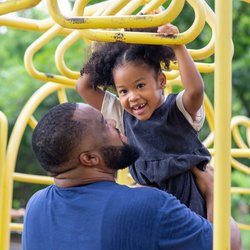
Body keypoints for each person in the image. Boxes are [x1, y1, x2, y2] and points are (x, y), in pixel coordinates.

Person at [22, 103, 241, 250]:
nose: (114, 123)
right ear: (89, 158)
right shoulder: (148, 204)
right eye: (103, 124)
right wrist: (213, 191)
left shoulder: (36, 206)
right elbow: (229, 244)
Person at [77, 23, 212, 220]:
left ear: (161, 81)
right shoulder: (123, 116)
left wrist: (178, 45)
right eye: (123, 91)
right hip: (148, 204)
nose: (132, 97)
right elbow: (84, 86)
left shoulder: (179, 110)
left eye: (140, 85)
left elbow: (195, 90)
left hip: (187, 202)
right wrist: (117, 39)